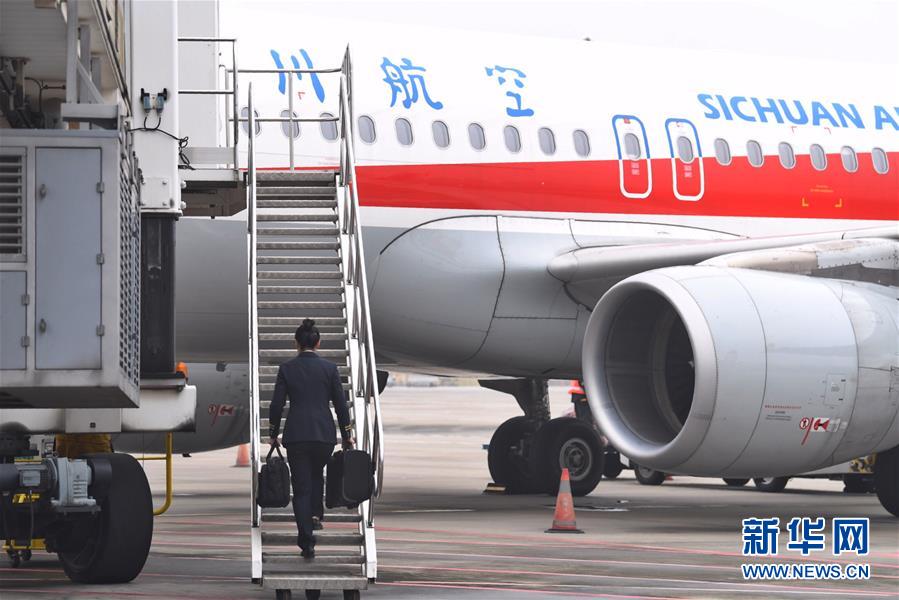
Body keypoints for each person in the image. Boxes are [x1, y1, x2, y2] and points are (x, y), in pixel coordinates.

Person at [268, 318, 354, 559]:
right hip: (323, 435)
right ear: (318, 343)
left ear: (295, 343)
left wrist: (273, 433)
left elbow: (276, 405)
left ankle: (306, 541)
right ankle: (316, 514)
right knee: (317, 475)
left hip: (297, 435)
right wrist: (346, 434)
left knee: (301, 488)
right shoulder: (330, 369)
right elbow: (341, 405)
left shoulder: (287, 369)